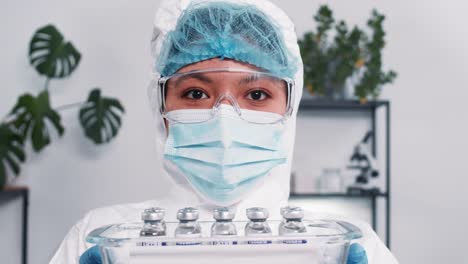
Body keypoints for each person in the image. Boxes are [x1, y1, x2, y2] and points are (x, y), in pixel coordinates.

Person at [50, 0, 398, 263]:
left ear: (288, 110)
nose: (224, 119)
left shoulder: (342, 246)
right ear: (162, 110)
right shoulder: (102, 239)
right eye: (196, 94)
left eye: (257, 94)